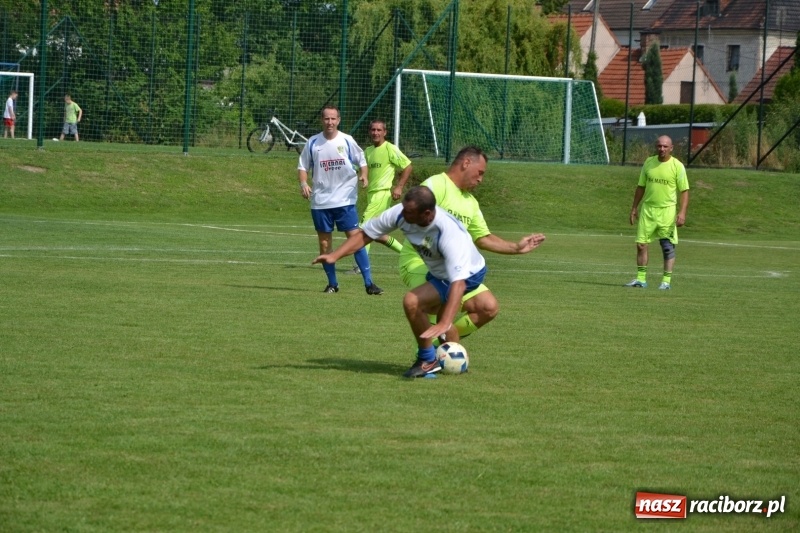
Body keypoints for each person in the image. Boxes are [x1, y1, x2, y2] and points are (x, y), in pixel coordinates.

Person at [313, 186, 487, 378]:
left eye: (409, 212)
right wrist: (334, 256)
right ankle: (441, 358)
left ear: (427, 213)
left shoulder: (448, 233)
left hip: (468, 273)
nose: (403, 214)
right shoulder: (400, 213)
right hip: (440, 273)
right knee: (440, 314)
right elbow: (365, 235)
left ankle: (427, 360)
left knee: (413, 302)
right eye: (403, 208)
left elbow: (459, 283)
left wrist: (445, 322)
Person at [399, 145, 546, 343]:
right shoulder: (435, 186)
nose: (480, 179)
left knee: (488, 307)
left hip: (452, 270)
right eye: (480, 173)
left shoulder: (470, 202)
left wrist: (516, 248)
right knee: (440, 307)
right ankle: (427, 359)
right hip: (419, 262)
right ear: (466, 163)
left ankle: (443, 345)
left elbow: (483, 238)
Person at [298, 105, 383, 295]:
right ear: (322, 120)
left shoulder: (347, 140)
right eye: (326, 119)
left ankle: (369, 284)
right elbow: (303, 166)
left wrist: (364, 175)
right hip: (320, 202)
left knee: (356, 239)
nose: (330, 122)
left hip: (344, 200)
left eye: (333, 119)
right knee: (325, 244)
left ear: (339, 120)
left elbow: (361, 160)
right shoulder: (313, 142)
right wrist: (303, 183)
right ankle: (332, 284)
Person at [347, 119, 412, 274]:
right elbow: (358, 168)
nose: (375, 133)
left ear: (385, 132)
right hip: (372, 195)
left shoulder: (390, 148)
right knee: (377, 234)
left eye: (379, 130)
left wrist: (399, 187)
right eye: (373, 130)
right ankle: (409, 254)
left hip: (382, 194)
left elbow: (407, 166)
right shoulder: (368, 151)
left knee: (362, 228)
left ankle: (360, 267)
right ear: (370, 132)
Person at [626, 135, 690, 290]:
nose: (662, 149)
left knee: (667, 246)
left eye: (665, 146)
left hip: (667, 212)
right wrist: (634, 207)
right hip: (648, 210)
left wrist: (682, 213)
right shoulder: (649, 163)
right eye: (659, 146)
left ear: (671, 148)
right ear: (656, 147)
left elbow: (684, 191)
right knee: (641, 245)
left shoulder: (677, 166)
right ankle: (641, 279)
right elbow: (641, 186)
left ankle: (666, 282)